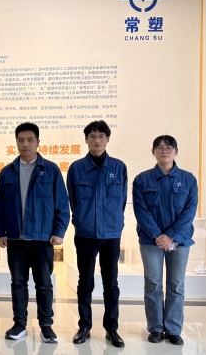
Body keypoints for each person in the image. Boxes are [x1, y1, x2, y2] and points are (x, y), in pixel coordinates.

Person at [0, 122, 69, 343]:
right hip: (15, 238)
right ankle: (20, 324)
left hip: (42, 238)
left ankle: (46, 326)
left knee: (44, 283)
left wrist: (59, 231)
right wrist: (0, 232)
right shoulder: (7, 172)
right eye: (21, 140)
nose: (25, 144)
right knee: (18, 283)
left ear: (37, 142)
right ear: (16, 142)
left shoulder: (51, 170)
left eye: (30, 140)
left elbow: (62, 204)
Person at [132, 135, 198, 346]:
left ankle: (173, 329)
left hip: (180, 240)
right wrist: (158, 236)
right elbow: (141, 210)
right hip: (150, 240)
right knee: (152, 284)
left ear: (176, 152)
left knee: (176, 284)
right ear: (153, 152)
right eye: (159, 148)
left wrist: (171, 236)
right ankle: (156, 328)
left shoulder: (188, 179)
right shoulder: (142, 179)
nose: (164, 151)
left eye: (168, 147)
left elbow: (190, 211)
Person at [66, 120, 127, 347]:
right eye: (92, 136)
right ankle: (84, 326)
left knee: (111, 283)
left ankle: (112, 328)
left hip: (111, 234)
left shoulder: (119, 167)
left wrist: (112, 222)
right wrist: (83, 220)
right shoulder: (76, 168)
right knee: (85, 281)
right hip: (86, 234)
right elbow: (73, 201)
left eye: (101, 136)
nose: (97, 140)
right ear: (86, 140)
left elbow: (121, 201)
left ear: (108, 139)